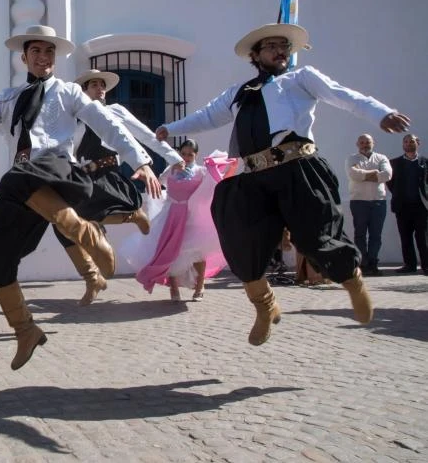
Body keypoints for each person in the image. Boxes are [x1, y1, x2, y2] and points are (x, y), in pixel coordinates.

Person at [156, 23, 411, 345]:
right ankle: (265, 306)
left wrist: (381, 113)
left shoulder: (301, 79)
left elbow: (343, 96)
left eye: (285, 47)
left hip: (298, 168)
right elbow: (208, 116)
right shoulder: (239, 92)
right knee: (239, 239)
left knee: (317, 234)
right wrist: (171, 126)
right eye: (272, 46)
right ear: (256, 55)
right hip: (251, 177)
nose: (280, 51)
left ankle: (352, 280)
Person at [0, 25, 159, 369]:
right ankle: (25, 330)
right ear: (24, 57)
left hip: (57, 171)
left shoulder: (69, 92)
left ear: (55, 59)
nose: (43, 58)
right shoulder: (10, 97)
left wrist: (141, 161)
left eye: (49, 52)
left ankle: (89, 233)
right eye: (37, 52)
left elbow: (106, 124)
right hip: (23, 181)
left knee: (20, 176)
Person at [64, 69, 182, 305]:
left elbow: (146, 136)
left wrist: (174, 158)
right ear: (84, 90)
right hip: (82, 178)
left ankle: (134, 215)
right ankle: (92, 279)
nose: (100, 89)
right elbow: (68, 150)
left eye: (102, 85)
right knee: (64, 225)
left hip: (108, 176)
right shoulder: (75, 118)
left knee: (88, 216)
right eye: (94, 85)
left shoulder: (115, 112)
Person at [123, 141, 238, 301]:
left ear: (196, 155)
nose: (186, 157)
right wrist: (144, 178)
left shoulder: (201, 172)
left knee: (197, 252)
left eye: (190, 154)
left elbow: (219, 182)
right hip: (171, 216)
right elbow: (156, 183)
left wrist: (232, 168)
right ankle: (174, 288)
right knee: (170, 252)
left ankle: (200, 286)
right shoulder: (171, 170)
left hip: (192, 217)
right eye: (183, 153)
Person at [346, 134, 392, 276]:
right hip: (358, 201)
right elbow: (353, 175)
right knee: (360, 234)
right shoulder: (352, 158)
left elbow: (387, 175)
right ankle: (363, 263)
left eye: (368, 142)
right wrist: (375, 174)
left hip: (378, 201)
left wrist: (364, 175)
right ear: (357, 144)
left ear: (373, 143)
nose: (365, 144)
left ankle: (373, 262)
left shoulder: (381, 158)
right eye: (362, 142)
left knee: (375, 235)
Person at [387, 134, 428, 275]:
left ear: (418, 143)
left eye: (412, 141)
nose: (409, 144)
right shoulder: (394, 163)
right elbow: (391, 184)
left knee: (423, 237)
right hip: (402, 206)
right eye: (406, 142)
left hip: (421, 206)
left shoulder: (425, 162)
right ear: (403, 144)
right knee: (405, 237)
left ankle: (426, 265)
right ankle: (409, 265)